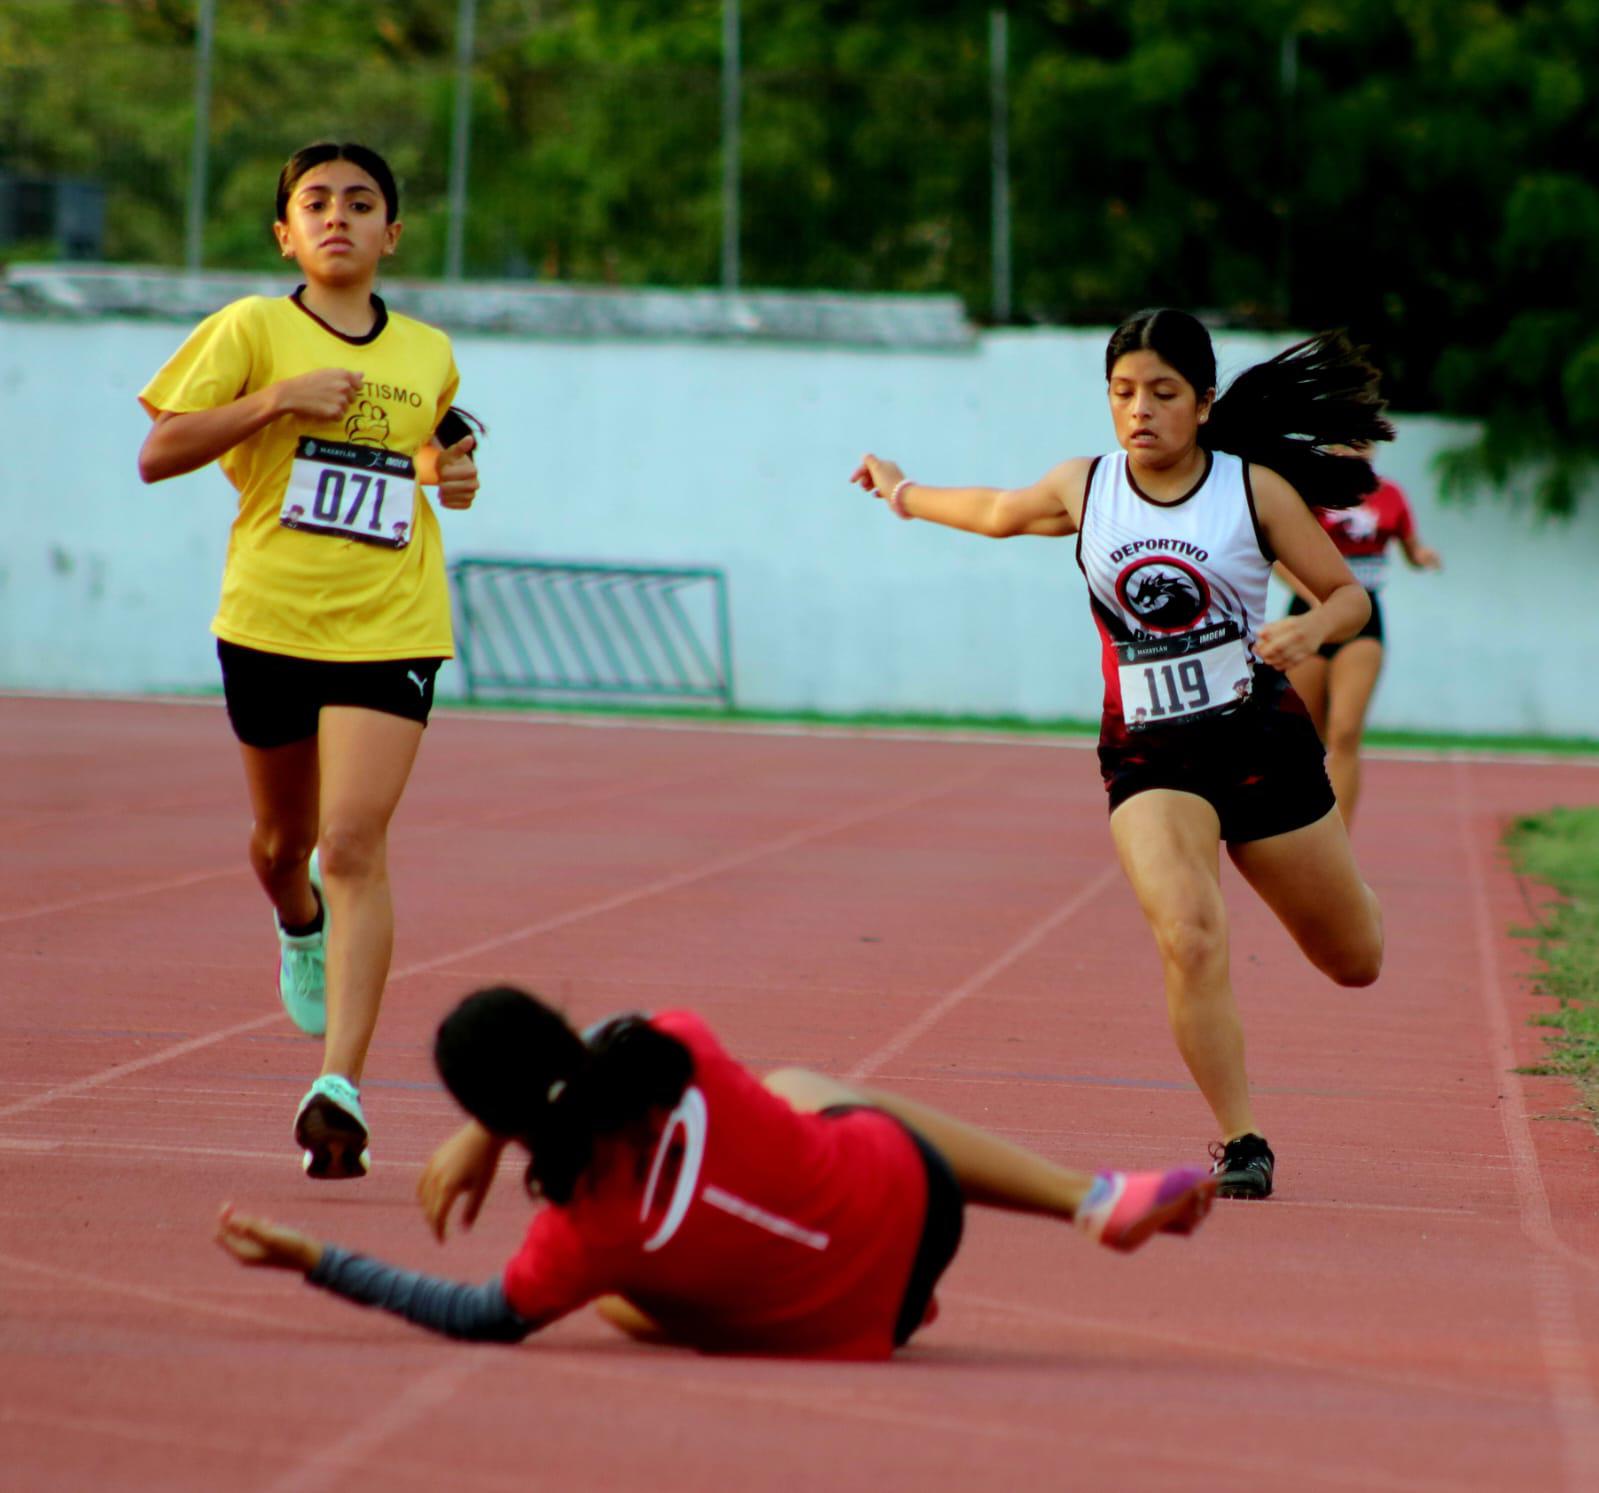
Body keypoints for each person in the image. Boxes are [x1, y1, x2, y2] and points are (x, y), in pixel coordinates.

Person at [848, 308, 1390, 1200]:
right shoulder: (1085, 487)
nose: (1139, 410)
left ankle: (1347, 885)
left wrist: (1311, 633)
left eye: (1162, 393)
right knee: (1187, 931)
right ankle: (1241, 1138)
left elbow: (1343, 597)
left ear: (1204, 403)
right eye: (1122, 393)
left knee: (1354, 957)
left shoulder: (1252, 492)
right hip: (1148, 758)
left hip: (1259, 742)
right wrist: (904, 491)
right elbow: (992, 512)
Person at [214, 985, 1218, 1360]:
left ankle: (824, 1302)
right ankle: (1091, 1198)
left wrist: (317, 1255)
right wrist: (488, 1128)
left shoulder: (573, 1238)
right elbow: (618, 1029)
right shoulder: (681, 1048)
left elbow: (474, 1312)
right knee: (791, 1083)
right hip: (922, 1196)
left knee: (615, 1304)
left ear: (498, 1118)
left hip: (864, 1323)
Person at [137, 142, 481, 1181]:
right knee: (284, 843)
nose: (339, 217)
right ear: (286, 231)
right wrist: (277, 400)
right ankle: (297, 920)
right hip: (272, 621)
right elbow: (159, 451)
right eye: (316, 203)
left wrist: (449, 472)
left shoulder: (428, 351)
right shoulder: (251, 328)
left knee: (354, 841)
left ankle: (340, 1086)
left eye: (362, 202)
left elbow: (427, 450)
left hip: (393, 621)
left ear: (392, 234)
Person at [1278, 443, 1442, 827]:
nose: (1356, 449)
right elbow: (1277, 557)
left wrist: (1423, 558)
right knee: (1304, 738)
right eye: (1347, 440)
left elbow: (1410, 548)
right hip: (1311, 618)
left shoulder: (1391, 495)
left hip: (1363, 619)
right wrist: (1316, 599)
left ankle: (1340, 838)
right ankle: (1304, 829)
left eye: (1364, 441)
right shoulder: (1306, 491)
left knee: (1346, 733)